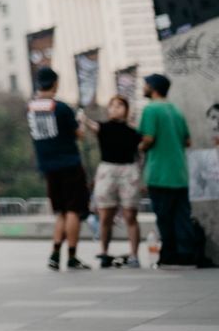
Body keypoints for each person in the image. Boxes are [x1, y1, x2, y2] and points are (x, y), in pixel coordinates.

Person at [27, 66, 92, 271]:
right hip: (69, 164)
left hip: (48, 166)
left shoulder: (30, 108)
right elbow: (78, 135)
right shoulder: (62, 108)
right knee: (73, 210)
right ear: (55, 84)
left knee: (61, 212)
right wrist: (80, 123)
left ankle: (55, 254)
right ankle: (72, 256)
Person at [139, 73, 201, 267]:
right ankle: (186, 255)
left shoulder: (151, 110)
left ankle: (169, 255)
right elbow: (188, 141)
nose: (143, 88)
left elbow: (148, 138)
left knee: (164, 216)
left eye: (145, 85)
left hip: (160, 173)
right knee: (181, 216)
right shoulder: (176, 110)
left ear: (153, 87)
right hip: (180, 173)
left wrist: (139, 148)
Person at [85, 94, 143, 268]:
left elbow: (141, 150)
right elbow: (88, 124)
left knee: (130, 214)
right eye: (112, 105)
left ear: (126, 109)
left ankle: (134, 254)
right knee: (105, 216)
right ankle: (104, 251)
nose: (115, 108)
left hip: (128, 169)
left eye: (119, 105)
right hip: (107, 169)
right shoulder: (102, 128)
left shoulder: (133, 131)